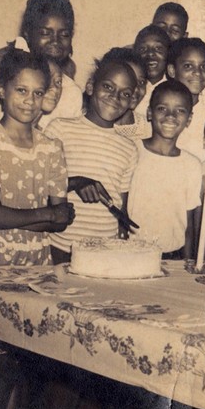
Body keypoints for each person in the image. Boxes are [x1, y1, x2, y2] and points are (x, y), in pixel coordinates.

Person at [0, 49, 75, 266]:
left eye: (38, 93)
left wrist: (6, 216)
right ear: (1, 89)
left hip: (39, 260)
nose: (30, 101)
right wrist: (47, 214)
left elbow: (61, 220)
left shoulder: (51, 147)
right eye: (21, 90)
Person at [45, 55, 139, 264]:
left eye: (124, 94)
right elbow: (40, 188)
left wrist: (122, 235)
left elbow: (120, 206)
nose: (114, 97)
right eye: (108, 86)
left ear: (132, 101)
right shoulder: (59, 129)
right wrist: (76, 182)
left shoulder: (129, 148)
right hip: (60, 245)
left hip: (104, 251)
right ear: (90, 87)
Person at [128, 80, 202, 258]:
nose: (170, 116)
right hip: (131, 251)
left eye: (180, 111)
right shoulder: (132, 151)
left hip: (173, 255)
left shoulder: (192, 165)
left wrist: (187, 264)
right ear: (149, 113)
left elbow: (189, 225)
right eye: (162, 108)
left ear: (189, 119)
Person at [0, 0, 83, 126]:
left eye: (64, 34)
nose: (55, 41)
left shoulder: (71, 93)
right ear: (27, 34)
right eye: (45, 33)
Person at [165, 36, 205, 161]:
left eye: (204, 66)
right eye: (188, 66)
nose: (197, 72)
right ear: (172, 70)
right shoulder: (159, 111)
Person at [101, 46, 151, 139]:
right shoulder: (87, 120)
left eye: (141, 82)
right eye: (127, 81)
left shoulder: (149, 129)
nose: (135, 89)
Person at [133, 24, 171, 119]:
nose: (150, 53)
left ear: (169, 53)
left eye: (158, 48)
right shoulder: (130, 87)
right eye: (143, 49)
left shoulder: (173, 89)